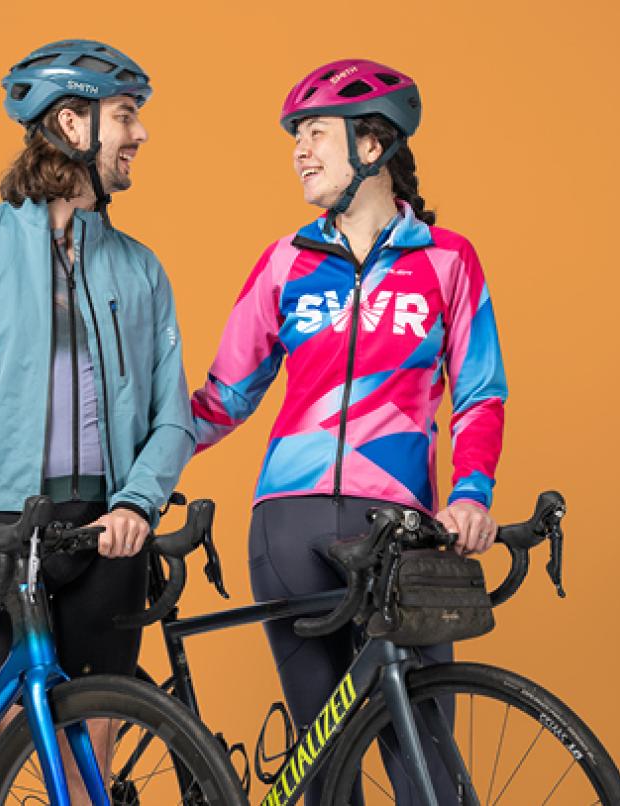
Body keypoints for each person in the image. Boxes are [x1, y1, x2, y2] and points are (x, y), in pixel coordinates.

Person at [192, 59, 507, 804]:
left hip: (397, 528)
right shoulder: (286, 262)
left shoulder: (446, 260)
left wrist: (471, 493)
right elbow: (221, 400)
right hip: (286, 527)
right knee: (323, 771)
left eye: (315, 133)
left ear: (373, 143)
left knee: (425, 763)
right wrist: (135, 473)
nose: (300, 150)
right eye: (296, 136)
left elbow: (480, 393)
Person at [0, 39, 194, 804]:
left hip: (106, 537)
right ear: (72, 123)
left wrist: (139, 501)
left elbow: (174, 417)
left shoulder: (141, 268)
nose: (140, 136)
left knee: (87, 774)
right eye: (126, 116)